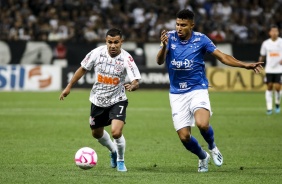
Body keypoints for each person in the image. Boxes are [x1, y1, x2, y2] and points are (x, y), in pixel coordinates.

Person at [156, 9, 263, 172]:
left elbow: (223, 57)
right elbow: (159, 61)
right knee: (184, 137)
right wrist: (163, 46)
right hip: (177, 93)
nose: (179, 28)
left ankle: (213, 147)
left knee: (202, 124)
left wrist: (245, 65)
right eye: (177, 24)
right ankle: (203, 157)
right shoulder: (169, 38)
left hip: (197, 88)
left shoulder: (201, 40)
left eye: (183, 25)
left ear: (192, 25)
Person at [59, 28, 141, 172]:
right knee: (96, 133)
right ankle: (113, 151)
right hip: (98, 100)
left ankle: (121, 161)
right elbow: (82, 69)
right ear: (106, 41)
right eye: (110, 42)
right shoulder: (97, 53)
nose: (113, 45)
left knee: (116, 132)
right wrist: (69, 86)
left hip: (118, 99)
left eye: (116, 42)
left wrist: (133, 86)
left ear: (121, 42)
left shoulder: (126, 58)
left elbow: (136, 80)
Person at [258, 24, 282, 115]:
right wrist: (258, 64)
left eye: (276, 31)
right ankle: (269, 108)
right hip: (269, 69)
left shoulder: (281, 42)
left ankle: (277, 104)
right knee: (269, 87)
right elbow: (262, 55)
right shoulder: (266, 43)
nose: (274, 33)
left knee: (277, 87)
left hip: (279, 69)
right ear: (269, 33)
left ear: (278, 32)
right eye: (273, 31)